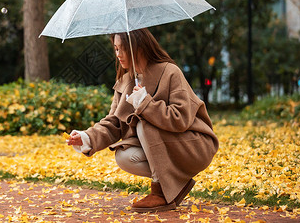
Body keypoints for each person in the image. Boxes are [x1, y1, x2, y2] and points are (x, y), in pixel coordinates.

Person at [66, 28, 219, 212]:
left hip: (193, 146)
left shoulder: (170, 72)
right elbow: (114, 123)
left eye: (122, 48)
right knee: (124, 157)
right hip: (167, 147)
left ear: (137, 46)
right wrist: (87, 137)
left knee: (143, 123)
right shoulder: (125, 81)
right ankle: (176, 180)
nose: (118, 54)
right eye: (115, 49)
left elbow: (181, 118)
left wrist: (146, 104)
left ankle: (160, 192)